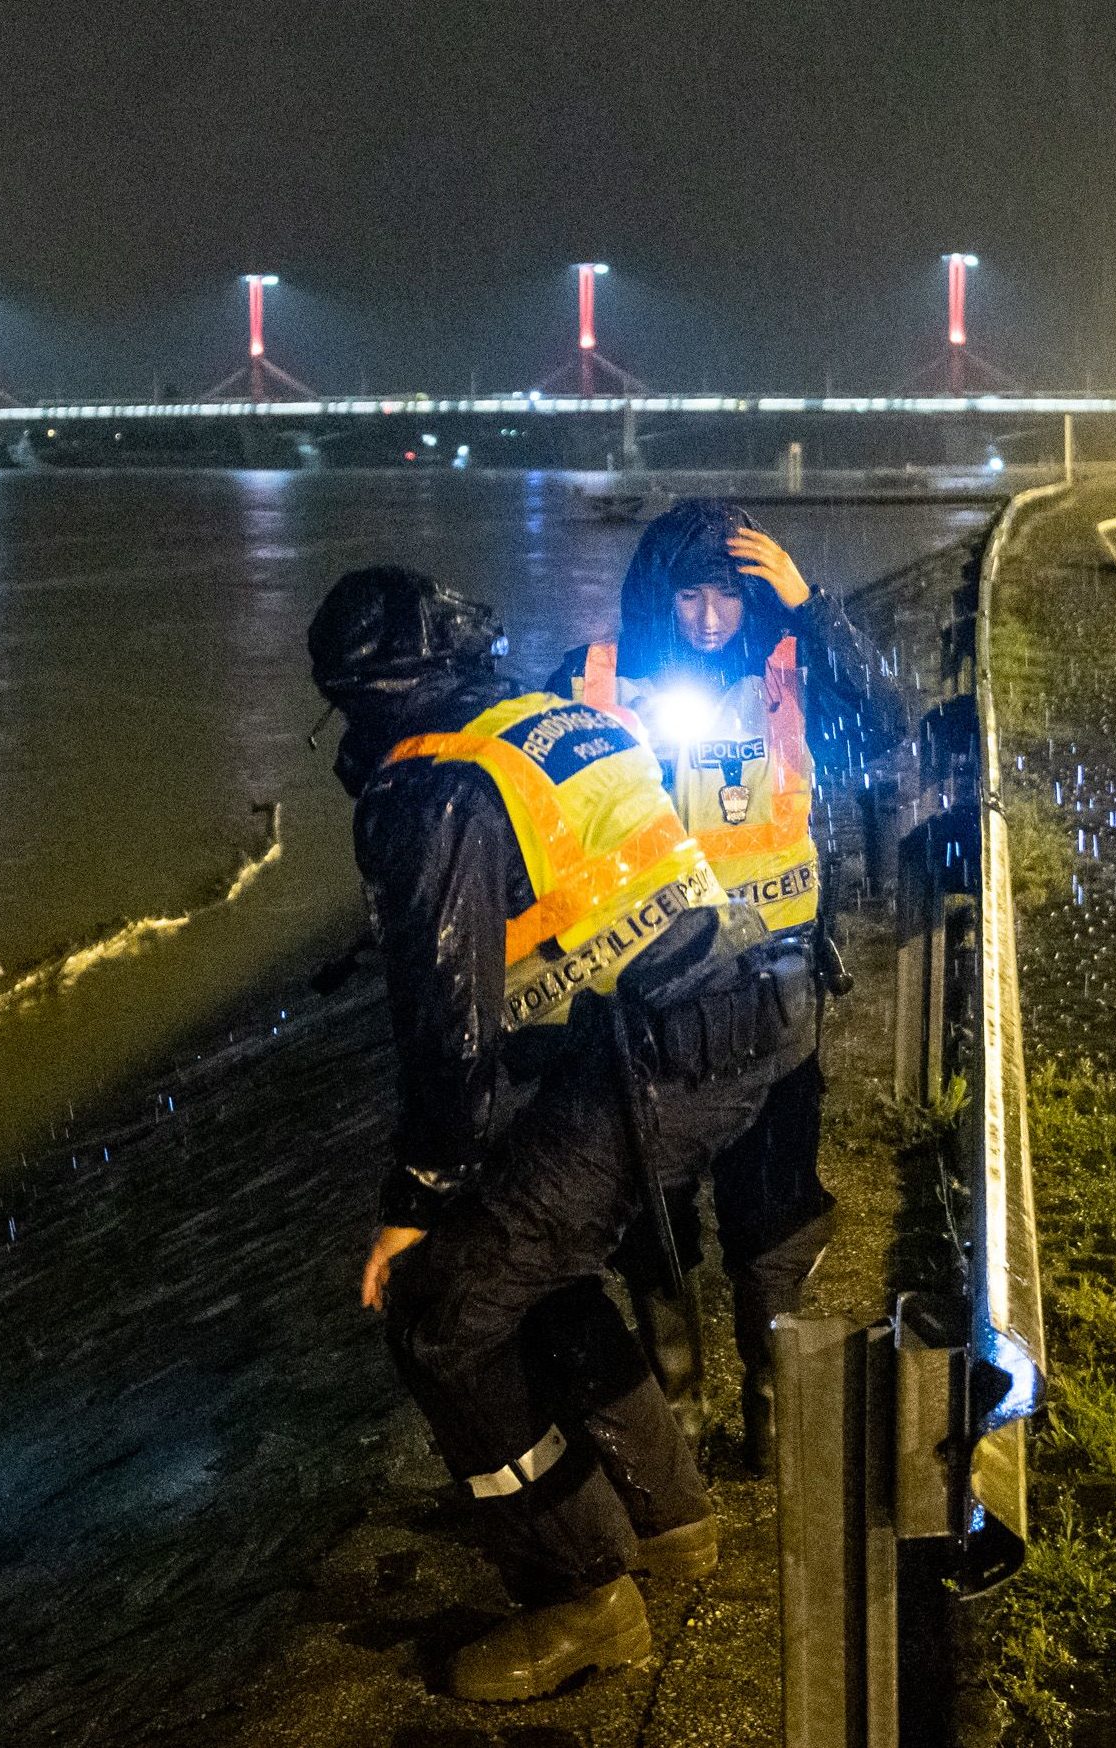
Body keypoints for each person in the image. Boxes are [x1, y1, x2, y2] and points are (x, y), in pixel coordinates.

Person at [310, 564, 817, 1702]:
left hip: (659, 1058)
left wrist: (413, 1200)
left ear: (360, 697)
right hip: (736, 1026)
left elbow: (448, 1027)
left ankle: (584, 1594)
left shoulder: (429, 788)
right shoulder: (546, 719)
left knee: (444, 1313)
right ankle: (672, 1515)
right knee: (539, 1257)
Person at [548, 500, 904, 1472]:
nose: (710, 619)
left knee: (772, 1211)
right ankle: (680, 1415)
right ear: (656, 598)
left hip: (775, 1001)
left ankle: (774, 1411)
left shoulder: (791, 668)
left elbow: (885, 719)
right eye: (691, 596)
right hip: (641, 1018)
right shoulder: (596, 681)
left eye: (730, 597)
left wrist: (810, 603)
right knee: (652, 1222)